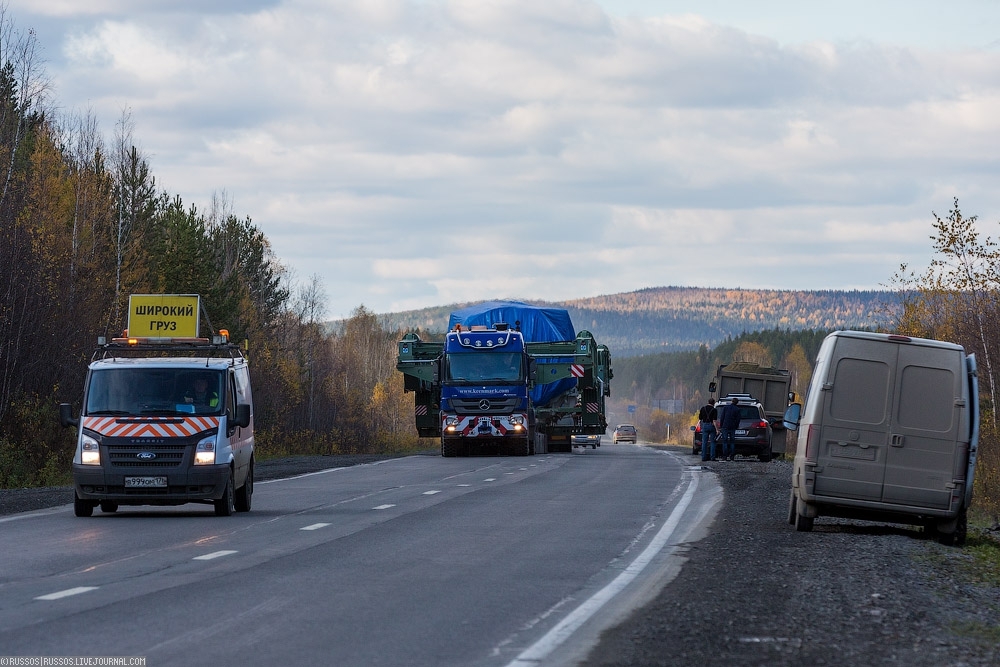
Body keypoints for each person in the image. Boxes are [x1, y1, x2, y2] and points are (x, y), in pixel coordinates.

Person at [717, 396, 741, 461]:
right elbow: (738, 419)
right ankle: (732, 456)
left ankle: (724, 456)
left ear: (732, 401)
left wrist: (721, 426)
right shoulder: (737, 409)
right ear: (737, 403)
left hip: (725, 426)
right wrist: (736, 426)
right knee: (732, 442)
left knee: (725, 441)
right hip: (732, 427)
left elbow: (722, 417)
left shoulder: (725, 408)